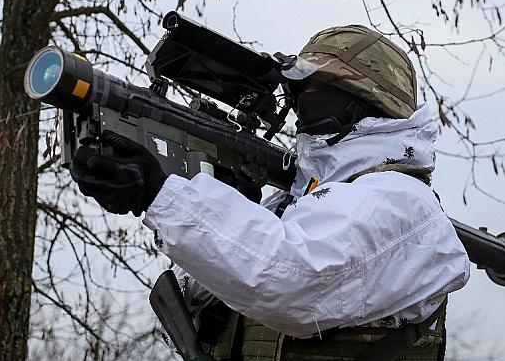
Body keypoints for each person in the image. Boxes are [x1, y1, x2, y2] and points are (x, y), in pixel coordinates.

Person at [69, 25, 470, 361]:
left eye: (316, 88)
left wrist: (160, 194)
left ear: (366, 101)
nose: (300, 103)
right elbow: (200, 308)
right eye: (296, 91)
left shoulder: (399, 199)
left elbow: (292, 280)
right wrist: (222, 202)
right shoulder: (300, 203)